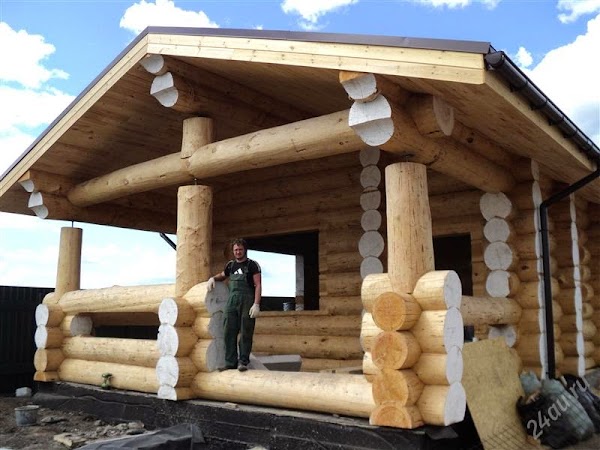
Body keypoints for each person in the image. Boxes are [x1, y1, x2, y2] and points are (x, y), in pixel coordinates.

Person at [207, 238, 261, 372]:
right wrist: (213, 278)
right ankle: (230, 362)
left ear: (245, 250)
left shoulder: (252, 265)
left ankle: (243, 361)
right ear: (233, 251)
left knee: (246, 331)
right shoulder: (230, 265)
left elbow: (258, 285)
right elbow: (222, 275)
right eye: (235, 250)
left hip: (247, 301)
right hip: (232, 301)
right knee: (228, 331)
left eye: (240, 249)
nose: (238, 252)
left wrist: (256, 304)